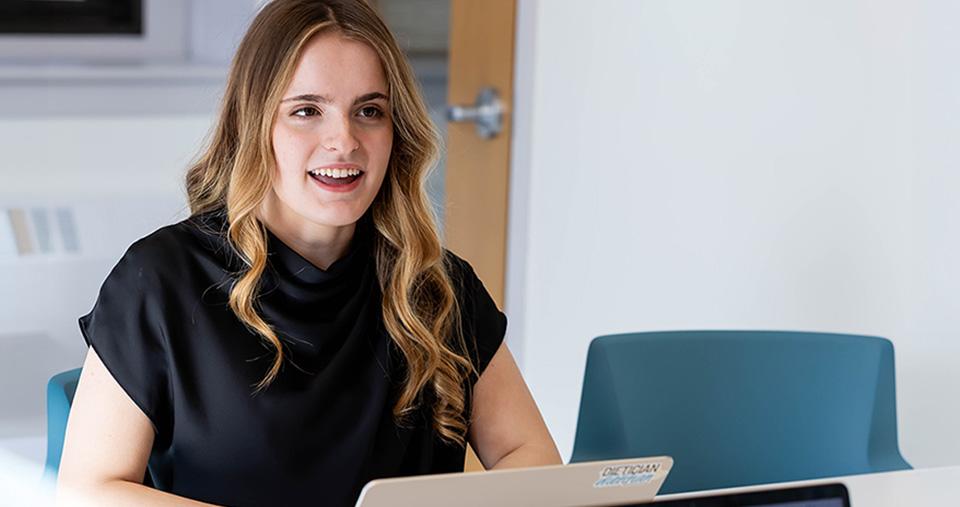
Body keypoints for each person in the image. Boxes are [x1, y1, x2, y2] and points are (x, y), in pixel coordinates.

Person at [55, 1, 562, 505]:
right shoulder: (162, 277)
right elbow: (88, 489)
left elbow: (532, 456)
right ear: (253, 127)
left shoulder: (436, 285)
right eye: (306, 111)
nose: (344, 140)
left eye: (369, 111)